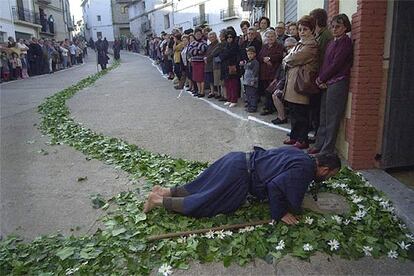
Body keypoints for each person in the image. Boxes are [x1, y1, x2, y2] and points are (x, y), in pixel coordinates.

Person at [143, 146, 341, 225]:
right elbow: (275, 187)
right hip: (239, 177)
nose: (328, 178)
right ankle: (158, 200)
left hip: (238, 159)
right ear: (324, 169)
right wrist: (280, 213)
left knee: (201, 185)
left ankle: (165, 190)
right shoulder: (305, 170)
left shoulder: (302, 154)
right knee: (205, 203)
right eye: (331, 175)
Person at [308, 14, 353, 155]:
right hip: (327, 82)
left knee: (332, 118)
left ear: (345, 27)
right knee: (324, 116)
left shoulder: (345, 42)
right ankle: (319, 144)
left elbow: (336, 64)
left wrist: (322, 79)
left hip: (338, 82)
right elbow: (325, 63)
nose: (334, 29)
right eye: (332, 26)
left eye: (338, 26)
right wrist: (321, 79)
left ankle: (327, 149)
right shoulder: (331, 42)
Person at [283, 16, 319, 150]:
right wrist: (288, 60)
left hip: (301, 84)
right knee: (293, 111)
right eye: (300, 29)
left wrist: (287, 60)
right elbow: (289, 58)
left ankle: (302, 139)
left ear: (311, 30)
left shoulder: (311, 45)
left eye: (305, 29)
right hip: (293, 82)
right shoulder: (300, 43)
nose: (302, 32)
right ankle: (294, 136)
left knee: (301, 113)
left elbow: (294, 58)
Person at [308, 8, 334, 138]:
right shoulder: (319, 35)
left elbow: (323, 59)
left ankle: (319, 136)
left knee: (318, 110)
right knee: (314, 109)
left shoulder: (325, 36)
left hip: (320, 78)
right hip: (315, 77)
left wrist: (321, 78)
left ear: (317, 20)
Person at [271, 37, 298, 125]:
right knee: (275, 94)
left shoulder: (298, 57)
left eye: (291, 46)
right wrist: (279, 86)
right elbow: (285, 75)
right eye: (287, 47)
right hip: (287, 83)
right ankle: (281, 116)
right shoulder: (287, 58)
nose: (288, 49)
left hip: (298, 85)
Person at [257, 30, 284, 115]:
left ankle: (272, 108)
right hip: (264, 72)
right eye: (268, 37)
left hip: (274, 72)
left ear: (275, 37)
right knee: (266, 91)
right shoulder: (264, 46)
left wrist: (269, 58)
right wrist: (264, 59)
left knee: (272, 90)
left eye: (272, 36)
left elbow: (279, 56)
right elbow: (259, 56)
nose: (270, 38)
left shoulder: (279, 46)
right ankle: (268, 107)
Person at [219, 29, 240, 107]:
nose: (229, 38)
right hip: (225, 67)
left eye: (231, 37)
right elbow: (221, 55)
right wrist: (224, 55)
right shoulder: (226, 45)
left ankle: (234, 100)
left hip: (232, 67)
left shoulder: (235, 46)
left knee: (233, 84)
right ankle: (229, 99)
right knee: (227, 83)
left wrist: (224, 55)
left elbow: (226, 54)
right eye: (227, 37)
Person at [188, 28, 208, 97]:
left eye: (199, 34)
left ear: (201, 34)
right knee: (196, 77)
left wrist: (196, 48)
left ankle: (202, 92)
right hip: (194, 62)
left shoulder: (204, 41)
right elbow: (190, 51)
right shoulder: (192, 42)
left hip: (201, 62)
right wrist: (197, 50)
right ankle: (199, 91)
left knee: (201, 77)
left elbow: (203, 49)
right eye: (196, 34)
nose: (198, 35)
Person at [241, 46, 260, 113]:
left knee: (252, 95)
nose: (250, 55)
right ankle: (249, 105)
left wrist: (253, 80)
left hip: (252, 81)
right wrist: (243, 64)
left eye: (251, 54)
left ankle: (253, 107)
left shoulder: (255, 62)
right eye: (248, 54)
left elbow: (255, 72)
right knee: (248, 94)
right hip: (246, 81)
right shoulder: (248, 61)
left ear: (254, 54)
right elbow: (245, 69)